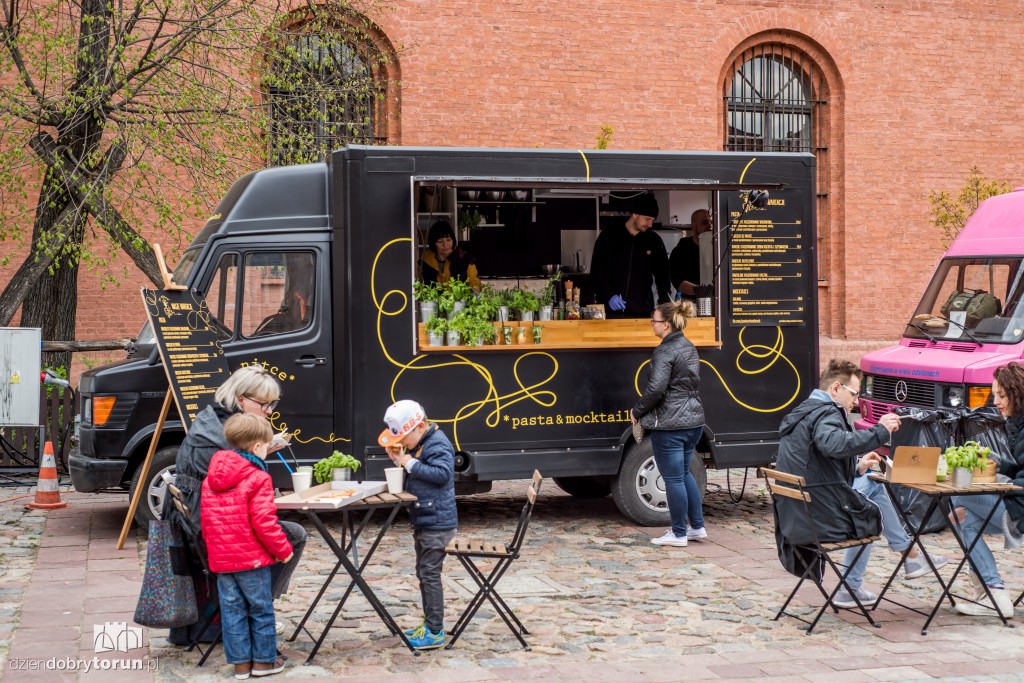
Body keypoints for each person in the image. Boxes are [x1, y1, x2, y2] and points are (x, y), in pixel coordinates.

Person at [775, 359, 948, 609]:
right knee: (868, 510)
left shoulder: (804, 411)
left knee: (867, 485)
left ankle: (905, 558)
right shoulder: (826, 413)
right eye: (854, 393)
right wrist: (879, 431)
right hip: (817, 517)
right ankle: (901, 560)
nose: (855, 402)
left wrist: (856, 466)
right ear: (836, 388)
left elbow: (818, 461)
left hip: (796, 514)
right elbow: (833, 444)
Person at [167, 365, 306, 645]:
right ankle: (258, 609)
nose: (269, 411)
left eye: (272, 404)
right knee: (292, 537)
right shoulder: (218, 436)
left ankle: (253, 607)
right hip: (206, 530)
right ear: (241, 400)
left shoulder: (217, 422)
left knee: (280, 532)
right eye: (264, 404)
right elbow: (232, 494)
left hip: (202, 523)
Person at [201, 413, 292, 679]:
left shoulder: (211, 477)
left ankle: (240, 665)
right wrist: (283, 550)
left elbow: (208, 522)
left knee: (232, 610)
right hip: (251, 559)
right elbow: (264, 522)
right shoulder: (258, 477)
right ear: (256, 448)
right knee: (261, 608)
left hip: (222, 559)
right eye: (266, 446)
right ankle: (264, 662)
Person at [378, 399, 457, 650]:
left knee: (430, 574)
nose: (402, 442)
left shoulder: (438, 443)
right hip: (426, 518)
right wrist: (400, 460)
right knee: (423, 573)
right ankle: (430, 623)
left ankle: (435, 630)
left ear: (420, 426)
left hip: (438, 522)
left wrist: (409, 462)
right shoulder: (423, 442)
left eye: (404, 437)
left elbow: (443, 475)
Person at [948, 361, 1024, 618]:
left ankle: (990, 592)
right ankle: (993, 593)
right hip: (1017, 502)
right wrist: (1000, 463)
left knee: (956, 492)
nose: (997, 401)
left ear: (1017, 394)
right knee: (962, 519)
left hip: (1020, 509)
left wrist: (997, 483)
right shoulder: (1016, 422)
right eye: (995, 395)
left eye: (1001, 395)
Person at [631, 300, 707, 547]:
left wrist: (637, 410)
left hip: (670, 424)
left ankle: (678, 532)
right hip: (694, 421)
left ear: (665, 324)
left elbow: (656, 389)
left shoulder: (664, 350)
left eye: (653, 320)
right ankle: (696, 527)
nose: (651, 324)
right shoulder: (688, 346)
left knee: (673, 478)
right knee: (683, 474)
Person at [590, 192, 671, 318]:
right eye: (647, 219)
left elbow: (663, 277)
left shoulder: (654, 241)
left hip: (642, 312)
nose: (650, 224)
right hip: (609, 313)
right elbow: (597, 271)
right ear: (635, 214)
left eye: (653, 220)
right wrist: (609, 295)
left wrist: (664, 307)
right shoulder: (609, 236)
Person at [419, 220, 481, 291]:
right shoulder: (425, 261)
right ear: (433, 243)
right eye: (440, 241)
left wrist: (475, 292)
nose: (445, 245)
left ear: (453, 240)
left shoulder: (465, 260)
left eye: (448, 240)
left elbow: (474, 282)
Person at [669, 209, 713, 300]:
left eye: (711, 222)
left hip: (713, 301)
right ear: (693, 225)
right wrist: (703, 291)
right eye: (704, 223)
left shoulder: (716, 249)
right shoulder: (681, 251)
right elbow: (679, 282)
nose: (710, 226)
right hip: (688, 304)